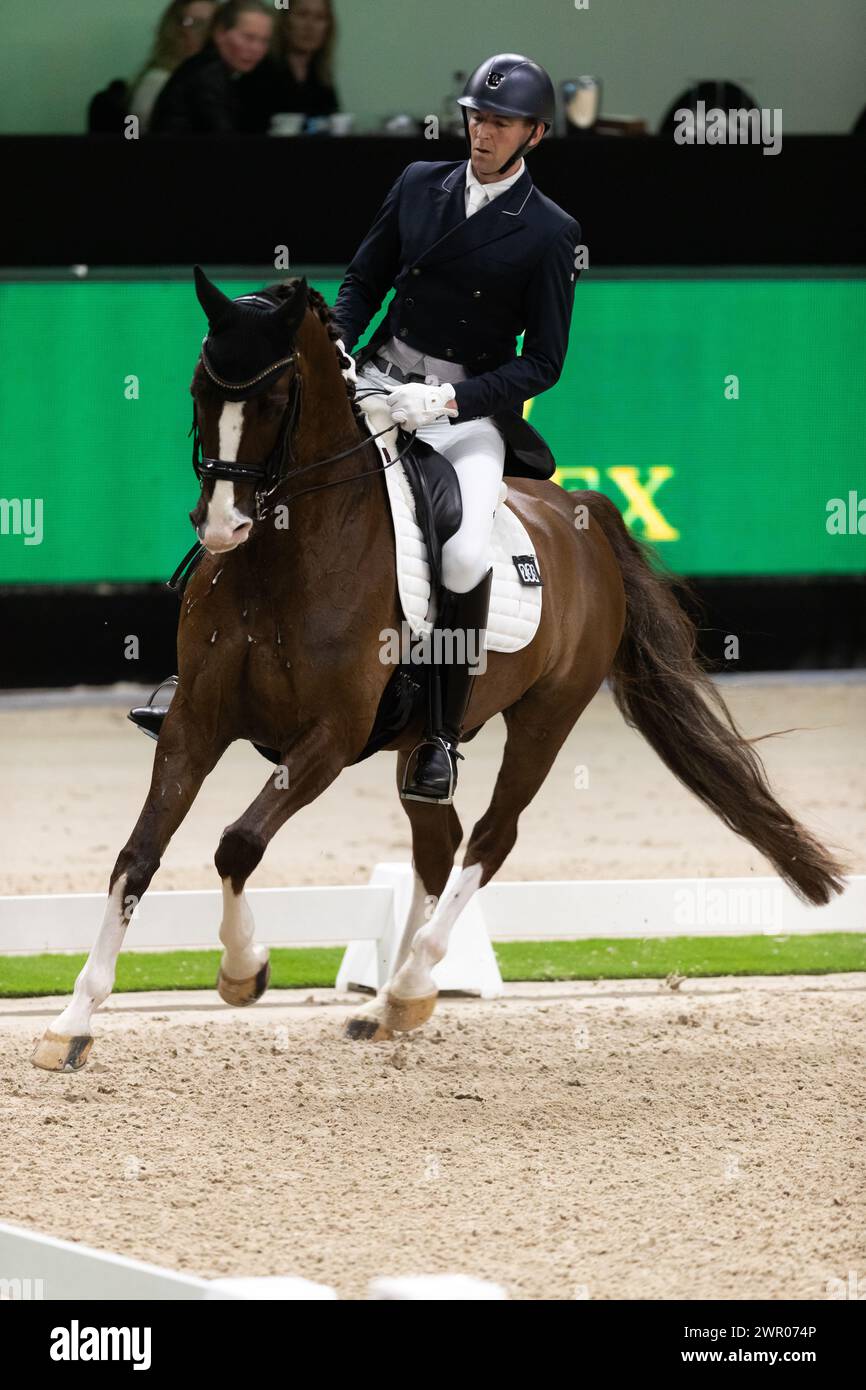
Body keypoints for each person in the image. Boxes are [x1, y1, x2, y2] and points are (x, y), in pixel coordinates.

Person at [332, 53, 582, 803]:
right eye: (477, 117)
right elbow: (363, 279)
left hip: (461, 411)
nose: (483, 132)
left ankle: (440, 735)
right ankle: (201, 675)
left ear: (533, 134)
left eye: (501, 123)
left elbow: (543, 362)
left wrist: (450, 403)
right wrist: (343, 346)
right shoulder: (417, 185)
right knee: (274, 471)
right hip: (377, 380)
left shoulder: (549, 232)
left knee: (467, 553)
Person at [149, 0, 273, 135]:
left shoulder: (209, 68)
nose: (257, 49)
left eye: (264, 41)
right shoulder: (208, 74)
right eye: (248, 38)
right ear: (220, 34)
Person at [238, 0, 338, 134]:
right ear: (285, 20)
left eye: (320, 18)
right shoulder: (261, 71)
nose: (310, 26)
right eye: (302, 15)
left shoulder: (322, 76)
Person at [129, 0, 217, 133]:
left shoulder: (217, 79)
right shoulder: (157, 81)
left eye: (213, 25)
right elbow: (132, 136)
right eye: (198, 24)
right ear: (175, 30)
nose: (207, 33)